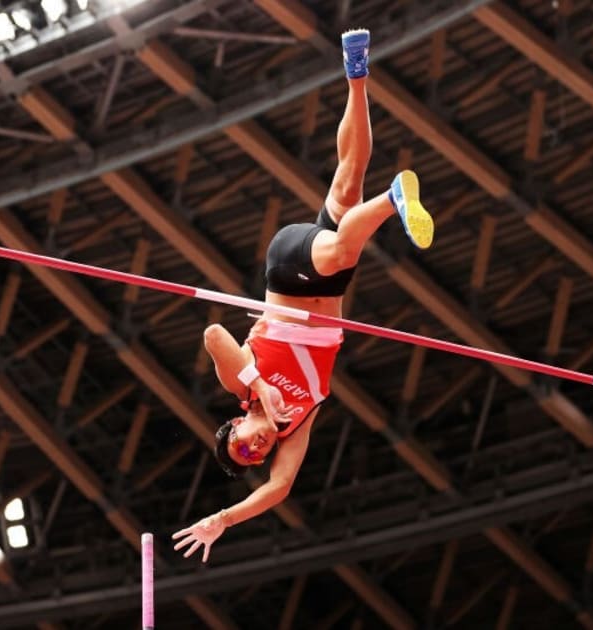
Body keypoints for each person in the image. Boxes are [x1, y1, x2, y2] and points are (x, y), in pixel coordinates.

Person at [172, 29, 434, 562]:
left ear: (236, 423)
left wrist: (256, 383)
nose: (255, 449)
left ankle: (393, 198)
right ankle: (356, 75)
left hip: (289, 271)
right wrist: (225, 518)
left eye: (242, 443)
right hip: (328, 293)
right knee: (347, 178)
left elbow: (213, 333)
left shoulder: (242, 387)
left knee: (340, 249)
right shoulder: (295, 428)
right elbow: (279, 489)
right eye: (253, 457)